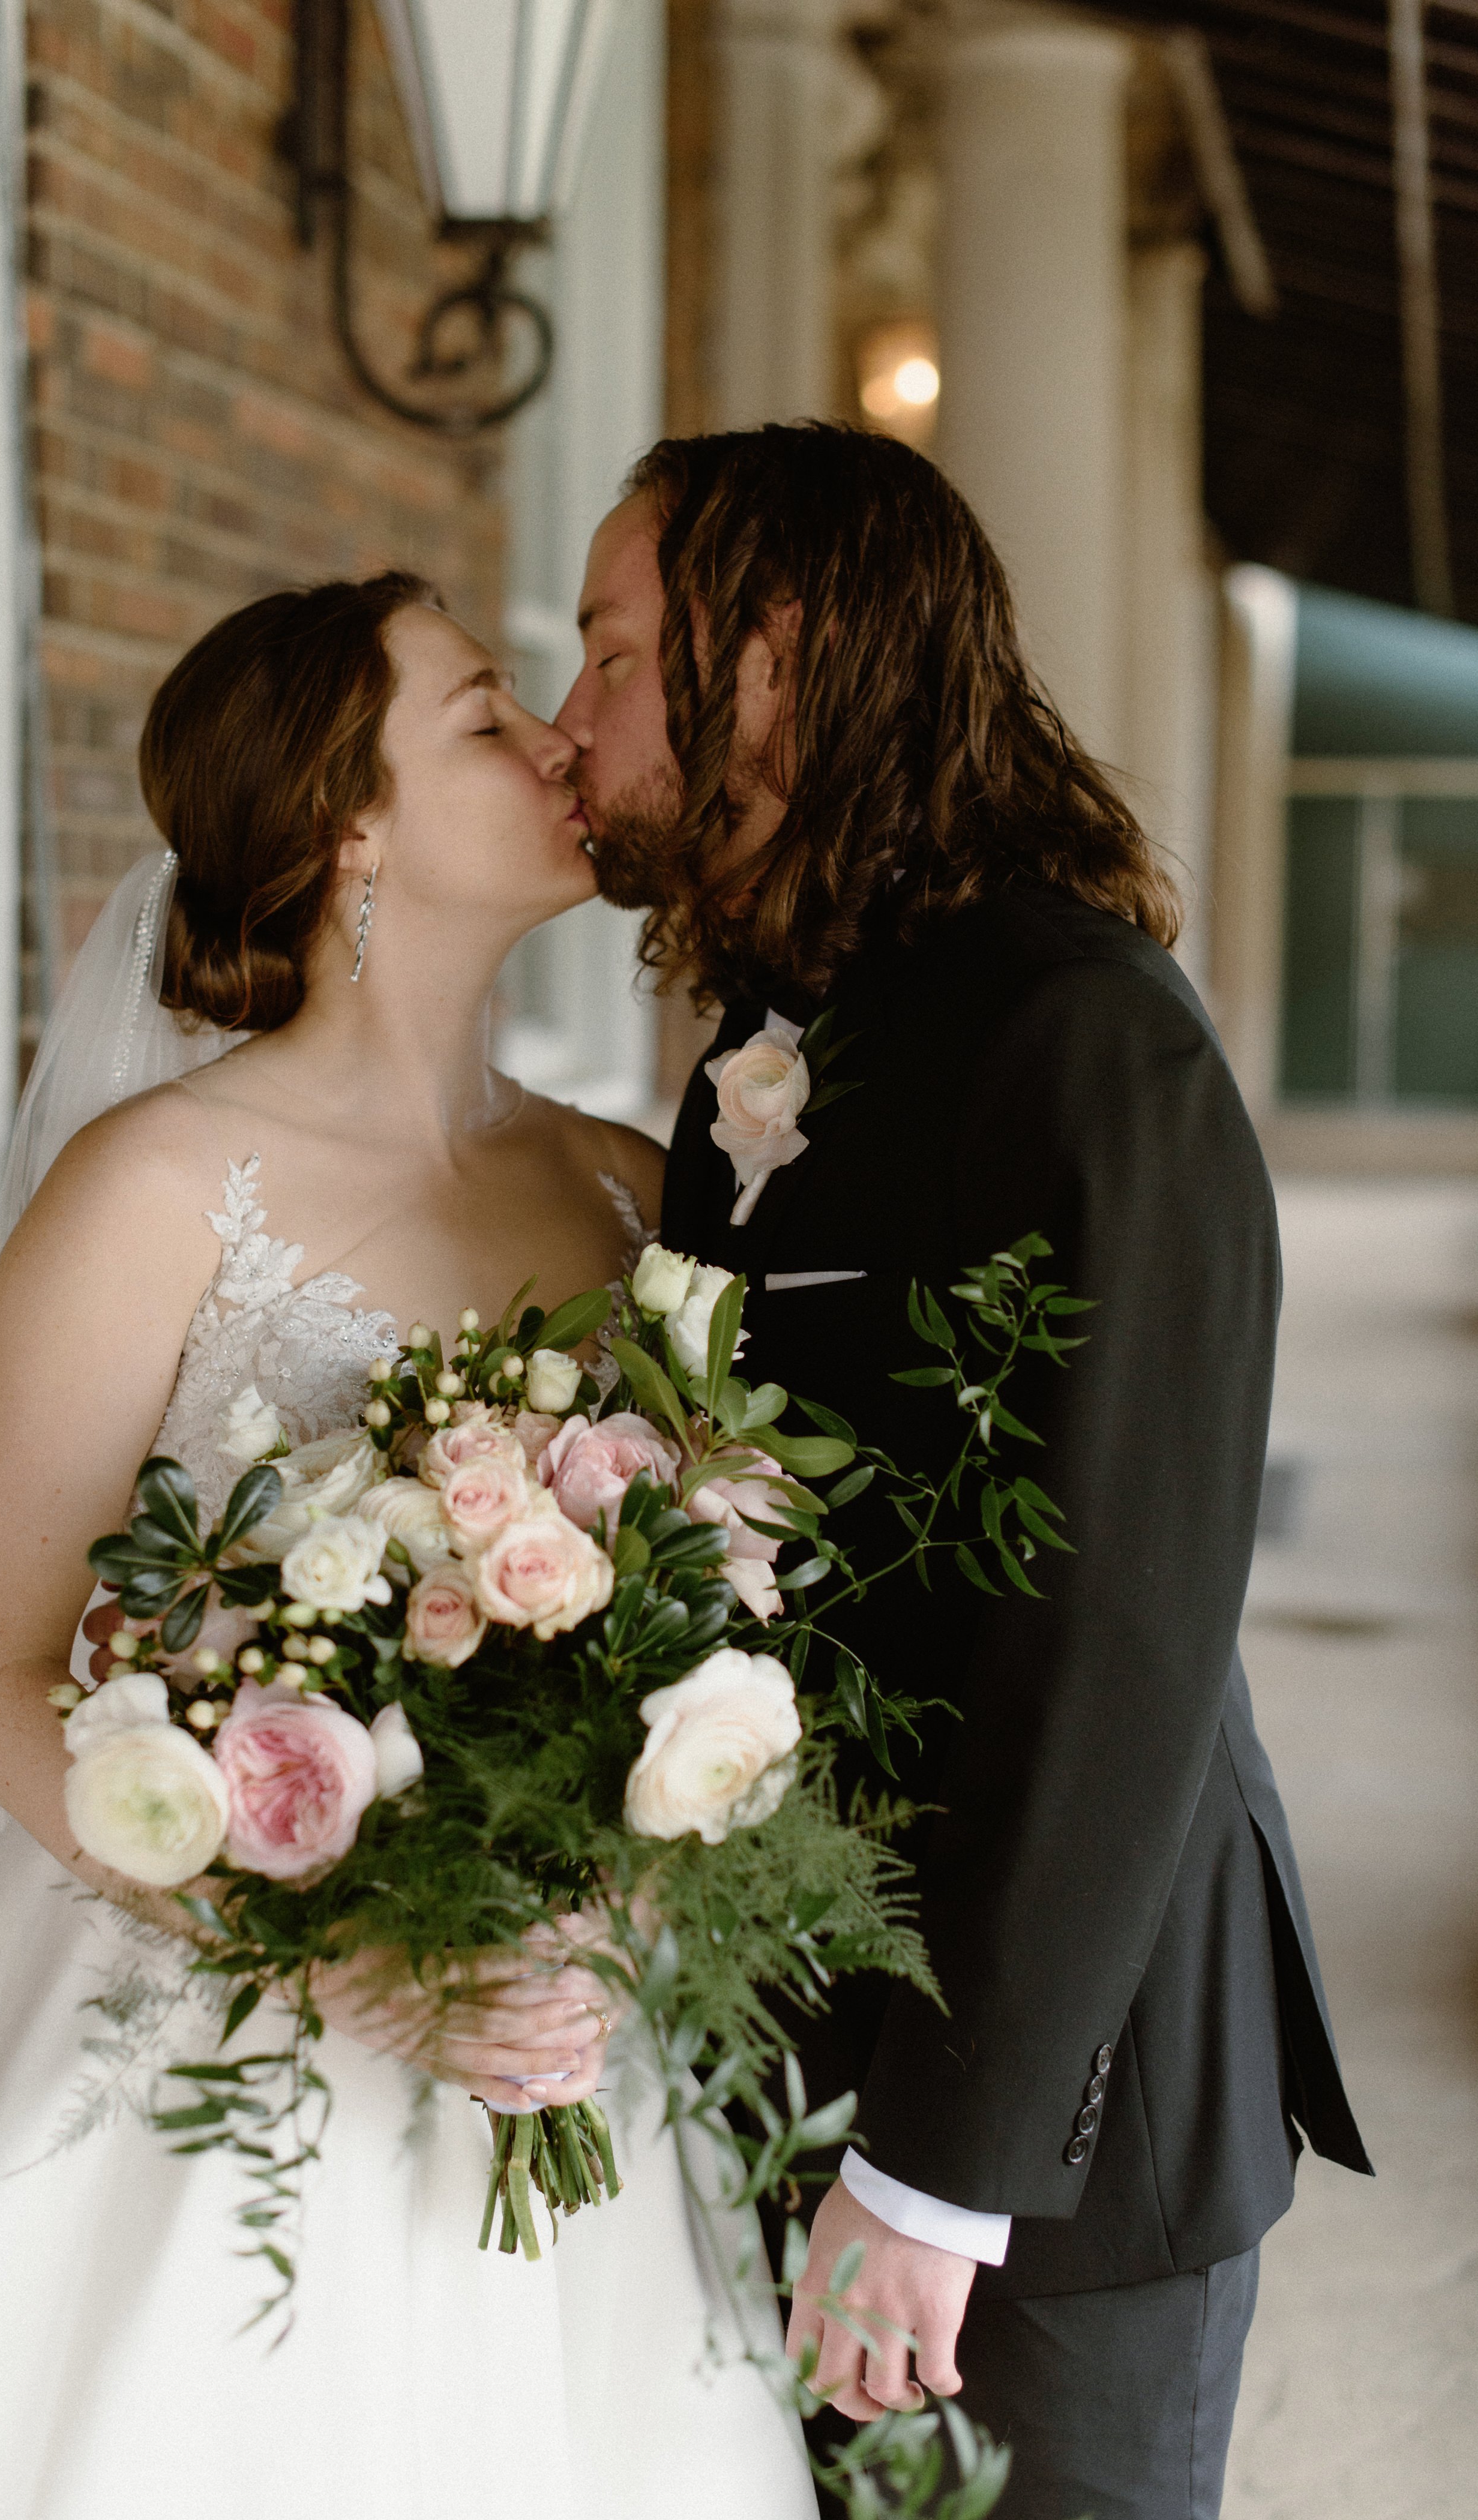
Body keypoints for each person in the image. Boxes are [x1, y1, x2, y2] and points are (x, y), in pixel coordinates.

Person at [0, 575, 816, 2520]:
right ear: (352, 825)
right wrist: (347, 1961)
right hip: (226, 2031)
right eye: (485, 714)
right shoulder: (156, 1192)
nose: (558, 741)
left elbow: (696, 1597)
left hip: (552, 2023)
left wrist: (613, 1889)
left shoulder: (624, 1183)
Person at [555, 423, 1374, 2520]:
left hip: (1048, 2129)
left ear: (776, 654)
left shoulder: (1079, 1036)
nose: (573, 720)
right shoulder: (781, 1033)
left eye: (613, 652)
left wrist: (937, 2173)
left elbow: (1121, 1641)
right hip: (794, 2036)